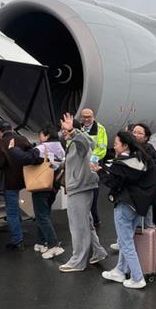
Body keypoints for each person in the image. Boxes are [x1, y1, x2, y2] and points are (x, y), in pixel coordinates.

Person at [98, 131, 156, 289]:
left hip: (125, 204)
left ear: (125, 145)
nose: (114, 145)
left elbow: (112, 182)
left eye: (117, 143)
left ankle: (138, 277)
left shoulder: (122, 164)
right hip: (139, 205)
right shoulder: (142, 159)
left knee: (125, 243)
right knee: (128, 240)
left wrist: (99, 170)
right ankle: (120, 270)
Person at [57, 113, 108, 272]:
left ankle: (78, 261)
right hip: (82, 185)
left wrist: (72, 131)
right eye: (63, 130)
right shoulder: (73, 144)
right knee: (86, 222)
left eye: (65, 130)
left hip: (80, 187)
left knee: (78, 226)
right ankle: (98, 251)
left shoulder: (79, 142)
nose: (63, 132)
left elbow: (87, 142)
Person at [8, 126, 66, 259]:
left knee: (41, 216)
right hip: (53, 185)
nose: (39, 138)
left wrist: (13, 149)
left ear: (46, 135)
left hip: (41, 186)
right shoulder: (60, 147)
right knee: (45, 213)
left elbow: (25, 158)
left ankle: (54, 245)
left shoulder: (42, 148)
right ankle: (42, 242)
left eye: (40, 135)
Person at [0, 120, 32, 250]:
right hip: (24, 179)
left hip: (10, 182)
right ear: (12, 129)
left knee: (12, 211)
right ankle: (18, 233)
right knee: (16, 208)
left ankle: (17, 240)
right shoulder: (23, 139)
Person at [79, 109, 107, 232]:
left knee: (94, 190)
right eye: (84, 117)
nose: (86, 119)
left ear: (93, 117)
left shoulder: (100, 129)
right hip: (80, 163)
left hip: (94, 162)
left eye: (89, 117)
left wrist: (91, 159)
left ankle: (95, 218)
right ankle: (85, 218)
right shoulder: (78, 128)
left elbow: (102, 149)